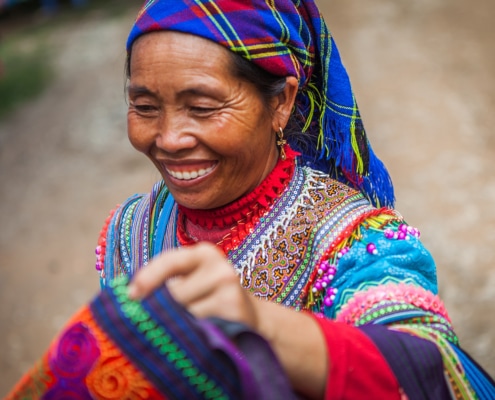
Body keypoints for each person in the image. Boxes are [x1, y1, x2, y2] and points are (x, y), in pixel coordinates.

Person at [6, 0, 495, 399]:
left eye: (202, 107)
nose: (170, 137)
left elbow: (426, 369)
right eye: (145, 107)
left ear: (280, 102)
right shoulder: (130, 230)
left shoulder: (356, 241)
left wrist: (256, 323)